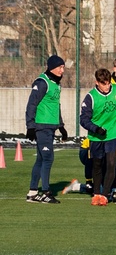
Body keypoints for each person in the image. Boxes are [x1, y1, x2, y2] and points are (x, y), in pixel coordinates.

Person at [81, 68, 116, 205]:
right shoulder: (91, 97)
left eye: (108, 83)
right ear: (96, 82)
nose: (106, 87)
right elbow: (83, 119)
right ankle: (96, 193)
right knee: (97, 164)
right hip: (96, 136)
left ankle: (105, 195)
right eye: (103, 84)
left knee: (111, 163)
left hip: (114, 134)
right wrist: (96, 129)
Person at [25, 55, 69, 204]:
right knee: (48, 158)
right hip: (41, 126)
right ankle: (45, 192)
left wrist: (61, 127)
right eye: (60, 67)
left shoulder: (56, 84)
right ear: (52, 68)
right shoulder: (42, 82)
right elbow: (32, 104)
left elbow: (56, 106)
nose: (62, 70)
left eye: (63, 67)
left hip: (51, 127)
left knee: (41, 159)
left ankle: (32, 193)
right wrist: (30, 126)